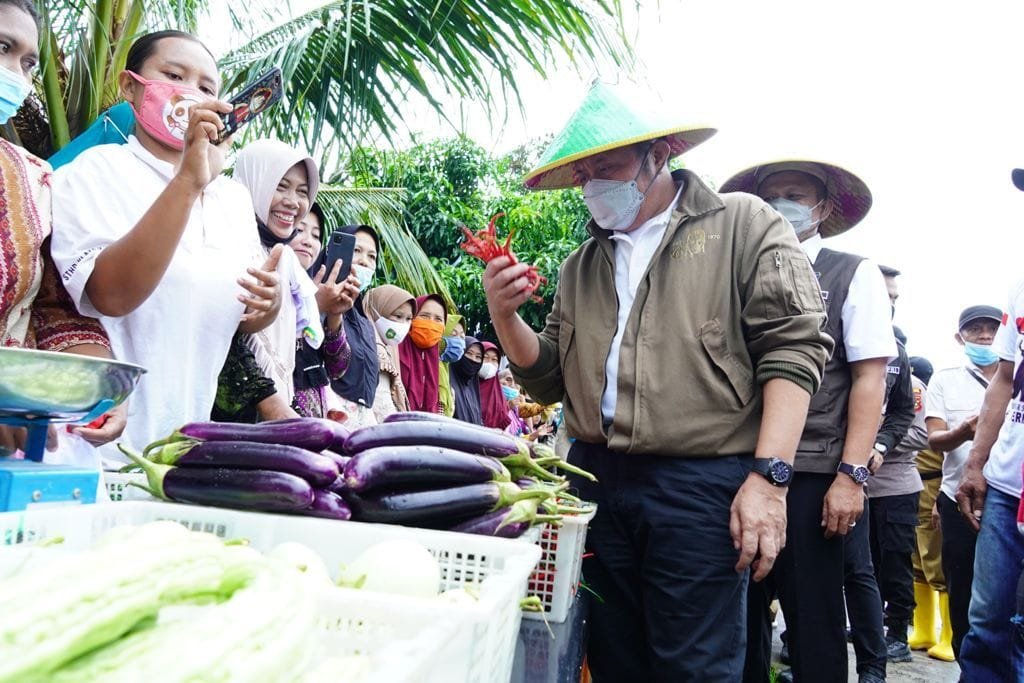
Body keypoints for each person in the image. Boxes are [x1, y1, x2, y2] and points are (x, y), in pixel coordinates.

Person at [485, 83, 831, 681]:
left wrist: (770, 480)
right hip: (597, 479)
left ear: (660, 153)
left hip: (697, 484)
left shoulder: (741, 225)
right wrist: (505, 315)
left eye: (609, 166)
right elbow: (545, 379)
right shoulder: (581, 266)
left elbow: (793, 348)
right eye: (585, 173)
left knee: (693, 663)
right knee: (615, 654)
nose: (595, 183)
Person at [49, 30, 280, 463]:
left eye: (207, 87)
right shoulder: (93, 173)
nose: (191, 94)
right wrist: (189, 181)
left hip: (176, 456)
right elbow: (109, 295)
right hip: (92, 451)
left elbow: (227, 314)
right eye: (174, 75)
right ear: (130, 87)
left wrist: (267, 307)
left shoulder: (232, 199)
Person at [720, 159, 892, 683]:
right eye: (770, 196)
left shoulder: (850, 271)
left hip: (814, 472)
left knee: (814, 621)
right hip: (733, 465)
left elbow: (869, 378)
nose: (781, 205)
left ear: (823, 207)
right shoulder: (736, 267)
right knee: (738, 621)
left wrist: (851, 476)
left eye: (795, 194)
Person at [0, 0, 125, 455]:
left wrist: (97, 386)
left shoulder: (31, 178)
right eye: (2, 48)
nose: (15, 73)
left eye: (28, 62)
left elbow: (52, 306)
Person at [955, 169, 1024, 681]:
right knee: (986, 624)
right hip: (1005, 485)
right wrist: (976, 463)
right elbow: (1003, 379)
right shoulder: (1021, 286)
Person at [926, 305, 1002, 660]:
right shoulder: (945, 379)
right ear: (961, 338)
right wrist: (963, 432)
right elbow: (934, 440)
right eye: (975, 330)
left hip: (1008, 500)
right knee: (963, 589)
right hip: (959, 501)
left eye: (992, 328)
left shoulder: (1013, 378)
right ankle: (966, 664)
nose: (985, 335)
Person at [906, 355, 954, 662]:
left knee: (936, 560)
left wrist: (939, 499)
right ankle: (924, 631)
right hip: (914, 484)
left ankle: (949, 636)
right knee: (917, 559)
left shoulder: (930, 399)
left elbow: (949, 454)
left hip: (935, 485)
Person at [290, 203, 356, 418]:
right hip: (275, 428)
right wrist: (314, 307)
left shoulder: (313, 290)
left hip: (312, 428)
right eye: (299, 230)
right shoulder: (264, 281)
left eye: (316, 235)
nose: (308, 241)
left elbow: (338, 368)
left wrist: (334, 314)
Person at [328, 224, 381, 427]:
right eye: (356, 251)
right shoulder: (318, 299)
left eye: (372, 256)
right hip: (330, 420)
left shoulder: (365, 322)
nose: (364, 262)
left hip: (362, 425)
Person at [363, 284, 415, 422]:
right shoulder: (375, 350)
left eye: (409, 319)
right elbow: (383, 408)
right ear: (376, 311)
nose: (403, 324)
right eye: (398, 316)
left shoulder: (388, 349)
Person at [398, 294, 447, 413]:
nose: (431, 323)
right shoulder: (395, 350)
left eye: (438, 319)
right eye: (424, 316)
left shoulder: (437, 362)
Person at [450, 337, 484, 425]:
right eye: (469, 353)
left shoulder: (474, 389)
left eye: (478, 357)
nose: (473, 359)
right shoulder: (447, 383)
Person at [437, 315, 466, 417]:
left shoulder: (445, 370)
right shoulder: (435, 369)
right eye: (453, 335)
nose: (458, 341)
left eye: (462, 337)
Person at [478, 342, 510, 431]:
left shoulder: (499, 396)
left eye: (494, 359)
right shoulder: (466, 386)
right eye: (485, 358)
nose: (489, 363)